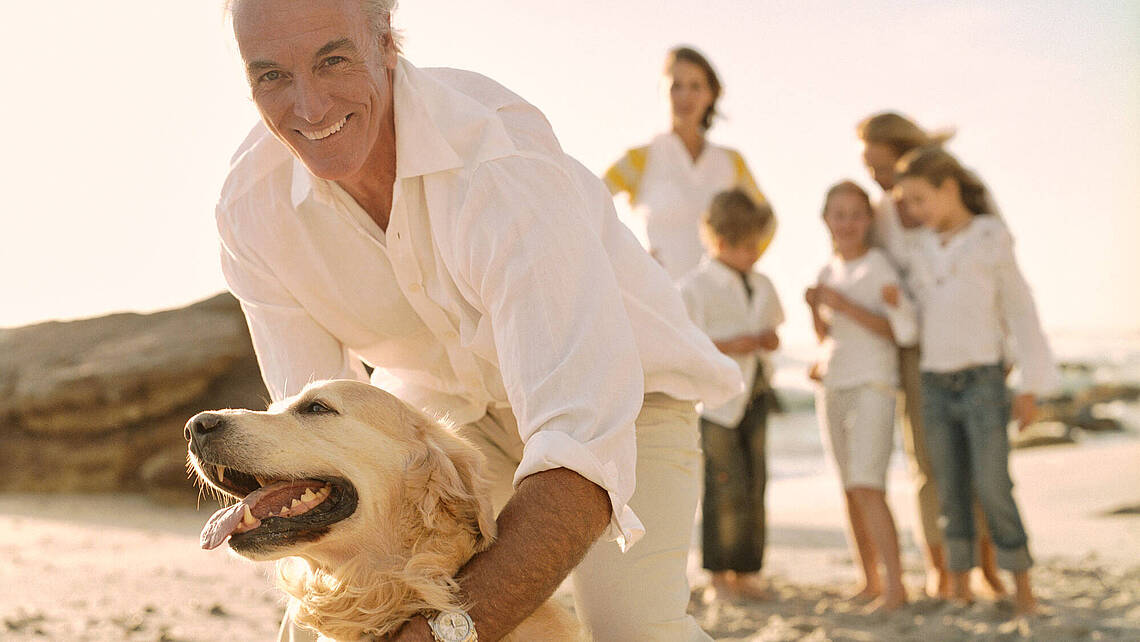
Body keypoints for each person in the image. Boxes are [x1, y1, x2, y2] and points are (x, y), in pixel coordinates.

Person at [215, 1, 745, 640]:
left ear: (386, 43)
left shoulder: (497, 158)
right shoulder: (253, 209)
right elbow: (317, 451)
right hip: (445, 418)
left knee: (632, 630)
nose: (310, 106)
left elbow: (579, 440)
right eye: (271, 76)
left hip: (621, 398)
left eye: (333, 60)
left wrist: (445, 632)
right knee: (314, 626)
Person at [895, 146, 1059, 615]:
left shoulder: (990, 237)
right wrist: (893, 304)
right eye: (907, 202)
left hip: (983, 382)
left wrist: (1030, 385)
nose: (913, 211)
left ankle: (1023, 589)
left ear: (949, 188)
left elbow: (1020, 310)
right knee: (950, 488)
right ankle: (961, 588)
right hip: (933, 383)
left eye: (920, 199)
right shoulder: (918, 248)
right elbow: (912, 326)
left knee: (992, 485)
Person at [856, 112, 1007, 599]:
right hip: (912, 347)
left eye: (881, 167)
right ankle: (941, 568)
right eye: (869, 170)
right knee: (927, 461)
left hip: (968, 342)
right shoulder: (881, 214)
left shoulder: (958, 191)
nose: (877, 180)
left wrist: (1004, 345)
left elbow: (998, 271)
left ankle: (986, 565)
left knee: (976, 458)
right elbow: (872, 277)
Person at [805, 181, 918, 613]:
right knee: (849, 489)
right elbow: (827, 337)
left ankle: (896, 586)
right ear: (826, 220)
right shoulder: (828, 270)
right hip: (834, 384)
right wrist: (816, 308)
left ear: (869, 220)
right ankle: (869, 580)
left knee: (870, 486)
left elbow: (901, 332)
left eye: (856, 214)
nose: (847, 222)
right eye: (839, 214)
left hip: (873, 383)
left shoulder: (880, 267)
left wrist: (844, 304)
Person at [677, 189, 783, 603]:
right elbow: (687, 344)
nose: (753, 254)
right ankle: (720, 576)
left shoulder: (762, 284)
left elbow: (773, 333)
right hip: (716, 403)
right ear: (719, 242)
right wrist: (730, 345)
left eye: (756, 245)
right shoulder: (694, 287)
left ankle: (748, 572)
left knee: (756, 483)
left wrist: (766, 341)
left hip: (756, 394)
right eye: (744, 247)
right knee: (724, 486)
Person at [604, 46, 775, 280]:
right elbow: (589, 201)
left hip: (719, 303)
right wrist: (626, 259)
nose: (685, 95)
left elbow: (768, 219)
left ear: (710, 94)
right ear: (662, 91)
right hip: (659, 298)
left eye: (696, 86)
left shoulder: (731, 162)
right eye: (676, 86)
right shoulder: (639, 159)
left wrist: (740, 264)